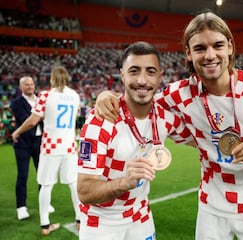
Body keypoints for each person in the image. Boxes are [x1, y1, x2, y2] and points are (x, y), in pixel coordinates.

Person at [95, 11, 243, 240]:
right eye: (199, 48)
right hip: (211, 208)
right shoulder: (179, 94)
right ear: (188, 53)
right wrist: (107, 95)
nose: (210, 55)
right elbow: (139, 101)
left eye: (217, 45)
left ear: (229, 47)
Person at [77, 41, 193, 240]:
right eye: (134, 71)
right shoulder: (101, 122)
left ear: (159, 77)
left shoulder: (166, 118)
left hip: (141, 217)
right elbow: (84, 191)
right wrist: (124, 183)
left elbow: (203, 140)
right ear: (122, 74)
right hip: (101, 223)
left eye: (150, 71)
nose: (142, 80)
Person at [12, 66, 81, 236]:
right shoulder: (75, 95)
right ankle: (80, 219)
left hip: (50, 146)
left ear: (52, 78)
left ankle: (45, 225)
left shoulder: (45, 95)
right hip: (70, 146)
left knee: (46, 185)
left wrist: (17, 131)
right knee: (73, 184)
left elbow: (32, 121)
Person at [10, 76, 43, 220]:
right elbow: (26, 120)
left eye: (31, 84)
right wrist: (42, 115)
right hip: (22, 144)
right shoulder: (16, 103)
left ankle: (44, 203)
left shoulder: (41, 99)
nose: (30, 87)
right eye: (26, 85)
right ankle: (21, 207)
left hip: (40, 142)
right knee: (22, 175)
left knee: (43, 176)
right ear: (21, 87)